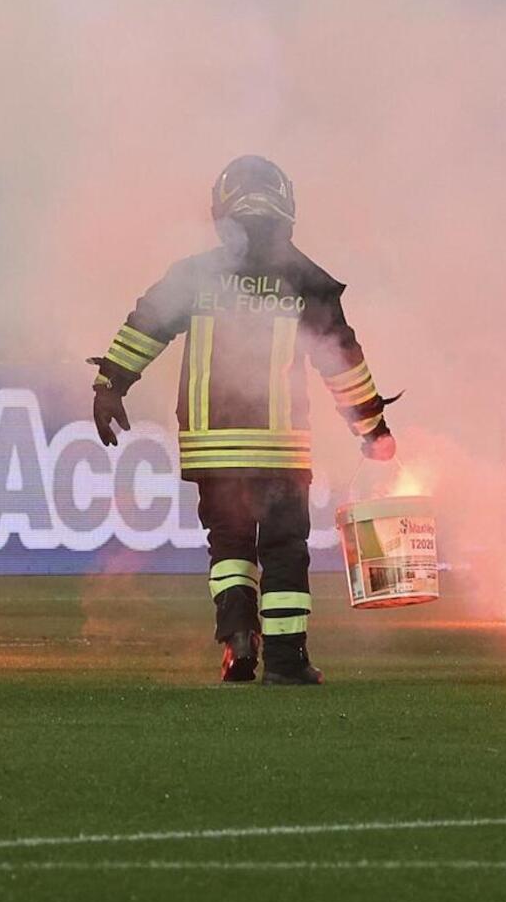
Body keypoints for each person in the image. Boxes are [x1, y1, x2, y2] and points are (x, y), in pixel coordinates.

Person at [88, 157, 398, 685]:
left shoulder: (196, 275)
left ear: (221, 210)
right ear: (287, 209)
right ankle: (286, 659)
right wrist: (372, 428)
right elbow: (340, 360)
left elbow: (146, 325)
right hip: (280, 447)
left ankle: (237, 640)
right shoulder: (304, 279)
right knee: (284, 548)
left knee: (230, 546)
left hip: (212, 445)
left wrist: (111, 384)